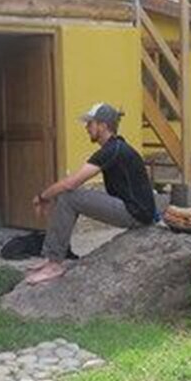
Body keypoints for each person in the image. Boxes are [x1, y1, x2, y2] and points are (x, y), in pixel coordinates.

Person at [26, 103, 158, 284]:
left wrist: (42, 197)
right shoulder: (115, 148)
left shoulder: (112, 150)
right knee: (71, 195)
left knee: (69, 196)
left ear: (103, 126)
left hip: (135, 214)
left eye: (90, 123)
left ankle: (54, 263)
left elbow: (71, 183)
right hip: (136, 211)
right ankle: (51, 259)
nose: (86, 128)